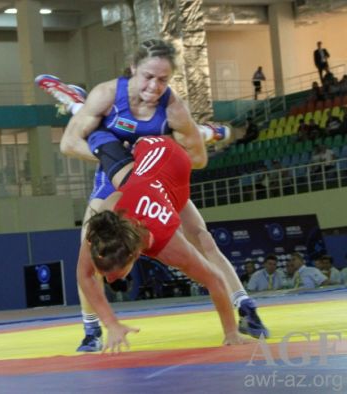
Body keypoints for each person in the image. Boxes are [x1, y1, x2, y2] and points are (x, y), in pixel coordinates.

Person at [37, 39, 268, 351]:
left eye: (163, 80)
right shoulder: (108, 94)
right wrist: (120, 158)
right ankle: (92, 330)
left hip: (159, 179)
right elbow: (68, 145)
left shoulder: (174, 108)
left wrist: (160, 154)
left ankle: (245, 307)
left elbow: (198, 161)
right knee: (90, 245)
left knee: (203, 238)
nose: (154, 86)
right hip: (116, 177)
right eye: (148, 77)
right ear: (133, 68)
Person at [79, 134, 252, 351]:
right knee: (99, 142)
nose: (110, 278)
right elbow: (84, 274)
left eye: (116, 273)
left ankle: (207, 132)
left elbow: (214, 279)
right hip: (145, 158)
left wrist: (231, 332)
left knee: (201, 236)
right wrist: (111, 324)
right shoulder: (105, 221)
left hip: (172, 156)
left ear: (134, 255)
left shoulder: (169, 244)